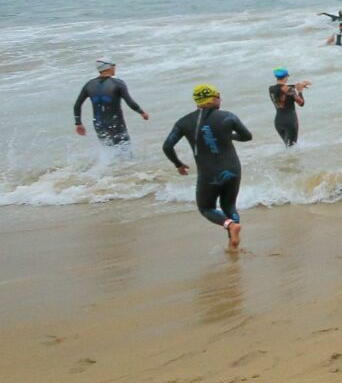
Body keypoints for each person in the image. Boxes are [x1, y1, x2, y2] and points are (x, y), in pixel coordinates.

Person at [162, 84, 251, 250]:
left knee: (206, 208)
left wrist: (178, 164)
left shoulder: (183, 122)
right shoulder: (228, 117)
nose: (220, 99)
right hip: (233, 168)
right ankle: (233, 241)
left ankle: (230, 226)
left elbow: (167, 146)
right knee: (229, 205)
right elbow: (247, 136)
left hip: (209, 172)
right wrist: (228, 135)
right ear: (211, 99)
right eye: (218, 96)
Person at [73, 60, 148, 145]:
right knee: (125, 150)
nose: (114, 67)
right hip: (116, 123)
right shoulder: (118, 83)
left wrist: (78, 123)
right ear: (108, 67)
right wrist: (142, 112)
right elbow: (129, 102)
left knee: (107, 150)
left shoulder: (89, 84)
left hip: (99, 124)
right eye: (113, 65)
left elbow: (77, 105)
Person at [268, 69, 307, 146]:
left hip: (278, 122)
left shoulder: (271, 89)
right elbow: (301, 103)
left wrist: (295, 85)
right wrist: (300, 90)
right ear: (286, 77)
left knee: (287, 146)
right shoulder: (290, 90)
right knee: (292, 147)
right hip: (290, 122)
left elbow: (281, 88)